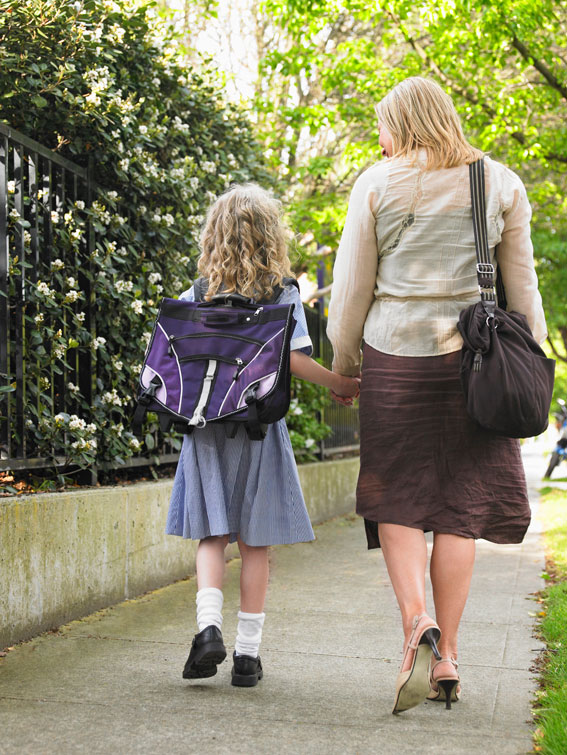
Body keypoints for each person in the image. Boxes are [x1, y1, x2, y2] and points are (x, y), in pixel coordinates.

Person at [327, 76, 547, 713]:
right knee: (462, 507)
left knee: (396, 494)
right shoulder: (500, 182)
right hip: (475, 366)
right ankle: (447, 653)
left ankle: (415, 622)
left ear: (401, 122)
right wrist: (529, 360)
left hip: (395, 355)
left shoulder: (376, 184)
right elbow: (522, 288)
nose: (380, 138)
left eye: (383, 125)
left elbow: (350, 290)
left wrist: (345, 364)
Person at [166, 183, 360, 687]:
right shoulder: (283, 293)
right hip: (259, 429)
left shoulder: (196, 292)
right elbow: (293, 359)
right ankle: (247, 658)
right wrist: (341, 383)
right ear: (270, 236)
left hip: (206, 428)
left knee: (212, 534)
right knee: (256, 544)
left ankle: (208, 628)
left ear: (214, 235)